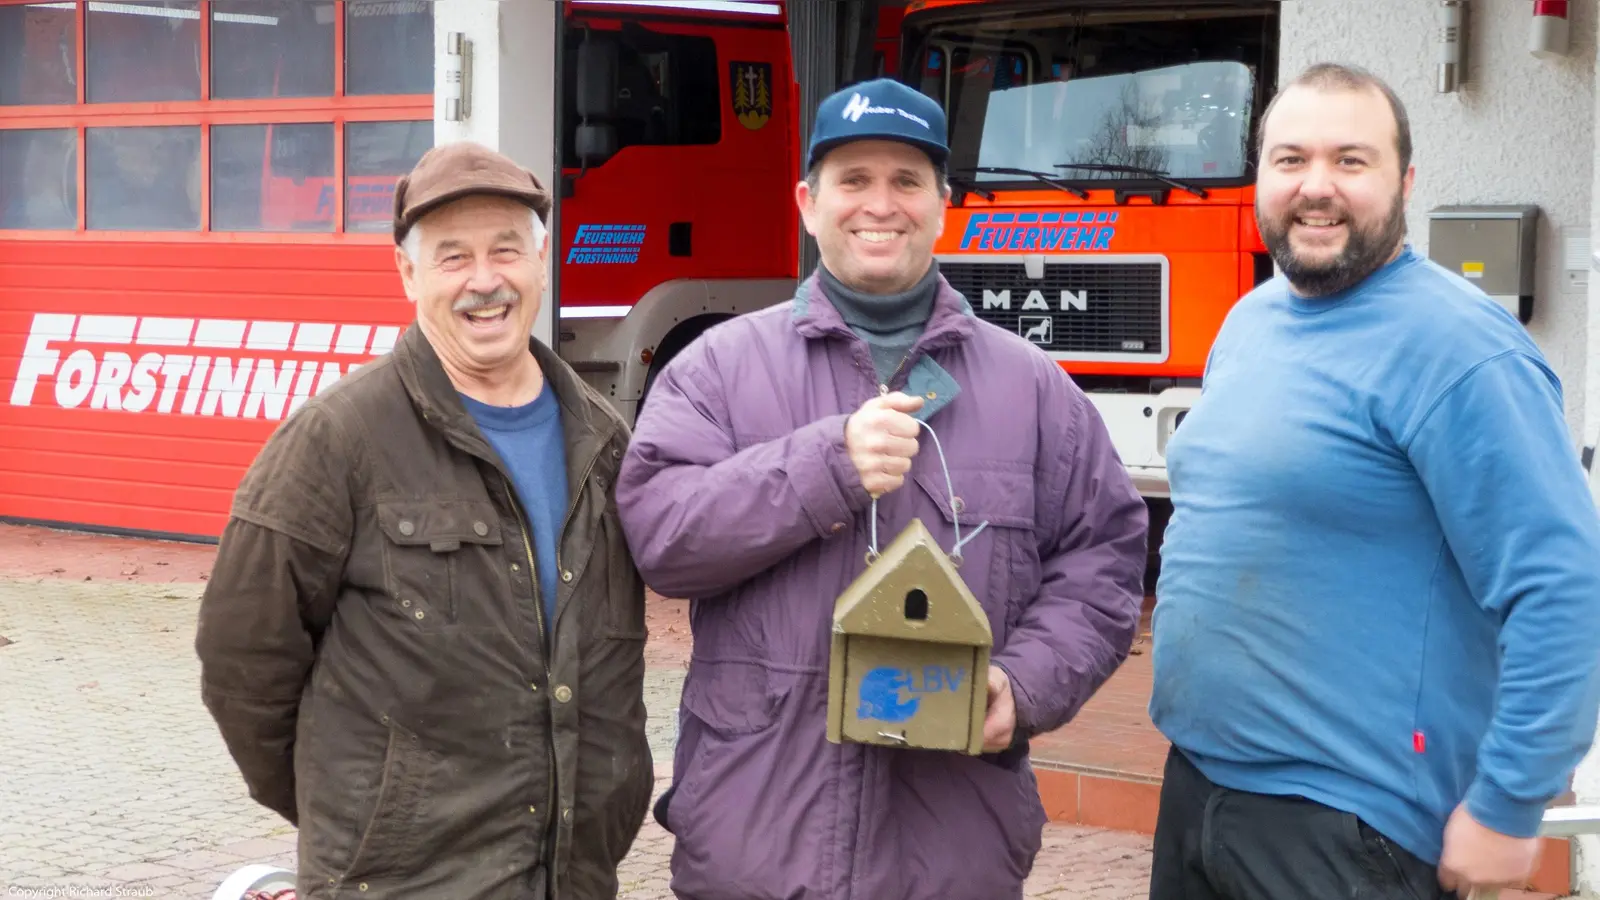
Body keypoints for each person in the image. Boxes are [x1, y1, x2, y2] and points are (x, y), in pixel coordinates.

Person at [613, 77, 1149, 900]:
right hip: (757, 848)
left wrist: (1027, 683)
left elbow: (1103, 563)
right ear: (807, 200)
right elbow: (661, 536)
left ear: (943, 204)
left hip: (952, 853)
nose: (880, 205)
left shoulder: (1034, 390)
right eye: (853, 180)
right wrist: (824, 466)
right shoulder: (716, 370)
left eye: (906, 181)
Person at [1148, 62, 1600, 900]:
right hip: (1201, 791)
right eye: (1290, 161)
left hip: (1350, 828)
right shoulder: (1251, 321)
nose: (1316, 187)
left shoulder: (1460, 350)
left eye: (1351, 161)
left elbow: (1563, 587)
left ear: (1407, 182)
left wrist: (1507, 802)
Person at [195, 141, 653, 900]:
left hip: (572, 875)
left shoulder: (604, 440)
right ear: (408, 273)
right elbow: (243, 659)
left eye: (506, 250)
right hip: (403, 882)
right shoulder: (336, 439)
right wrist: (362, 814)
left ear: (540, 263)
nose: (484, 281)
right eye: (452, 257)